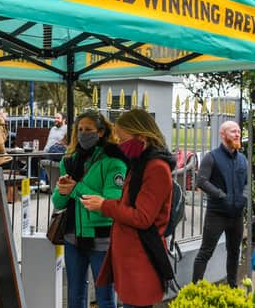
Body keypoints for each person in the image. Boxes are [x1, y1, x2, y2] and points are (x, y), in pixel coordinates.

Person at [82, 108, 175, 308]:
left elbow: (142, 217)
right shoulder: (141, 163)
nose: (120, 144)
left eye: (123, 138)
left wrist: (104, 205)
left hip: (141, 259)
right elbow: (128, 205)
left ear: (141, 136)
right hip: (132, 259)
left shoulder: (156, 168)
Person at [51, 110, 127, 308]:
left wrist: (76, 188)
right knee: (75, 296)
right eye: (80, 129)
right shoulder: (68, 160)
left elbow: (111, 203)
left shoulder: (114, 161)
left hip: (102, 239)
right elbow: (58, 203)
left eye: (89, 130)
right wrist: (63, 188)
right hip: (72, 237)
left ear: (101, 132)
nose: (84, 133)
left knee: (105, 297)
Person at [192, 120, 248, 288]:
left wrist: (244, 198)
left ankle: (233, 288)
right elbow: (201, 181)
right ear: (223, 135)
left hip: (237, 215)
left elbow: (246, 182)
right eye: (233, 131)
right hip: (217, 214)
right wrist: (220, 195)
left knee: (234, 252)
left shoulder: (243, 159)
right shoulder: (212, 157)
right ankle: (195, 289)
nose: (237, 134)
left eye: (238, 131)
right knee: (205, 253)